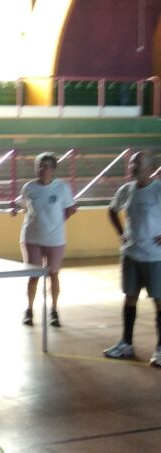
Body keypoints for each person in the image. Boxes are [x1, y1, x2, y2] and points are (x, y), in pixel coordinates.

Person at [103, 150, 161, 368]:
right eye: (132, 162)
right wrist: (121, 234)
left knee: (159, 301)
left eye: (138, 162)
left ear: (150, 168)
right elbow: (112, 210)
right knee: (130, 298)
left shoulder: (158, 190)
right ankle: (126, 343)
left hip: (156, 257)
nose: (133, 166)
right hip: (131, 254)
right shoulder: (126, 190)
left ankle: (160, 349)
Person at [15, 152, 77, 327]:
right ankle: (29, 310)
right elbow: (23, 206)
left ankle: (54, 311)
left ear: (53, 169)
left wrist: (55, 224)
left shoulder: (62, 187)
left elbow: (70, 209)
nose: (43, 169)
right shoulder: (29, 187)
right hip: (32, 238)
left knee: (53, 274)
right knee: (33, 276)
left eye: (47, 166)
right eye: (40, 166)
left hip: (55, 240)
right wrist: (14, 208)